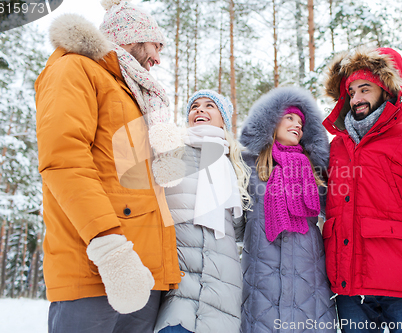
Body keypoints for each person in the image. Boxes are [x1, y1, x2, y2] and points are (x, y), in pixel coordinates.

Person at [35, 0, 182, 332]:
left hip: (146, 277)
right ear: (131, 36)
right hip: (99, 268)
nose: (158, 57)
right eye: (155, 44)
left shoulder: (137, 96)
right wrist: (112, 250)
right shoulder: (75, 68)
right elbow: (64, 162)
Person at [321, 47, 402, 333]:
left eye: (365, 89)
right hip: (348, 291)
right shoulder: (336, 149)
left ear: (387, 89)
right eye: (351, 91)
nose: (356, 98)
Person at [238, 86, 337, 333]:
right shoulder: (248, 164)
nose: (297, 126)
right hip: (262, 275)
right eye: (289, 117)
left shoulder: (315, 171)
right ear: (271, 121)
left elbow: (337, 213)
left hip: (308, 276)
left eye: (301, 123)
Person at [153, 90, 251, 333]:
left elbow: (239, 230)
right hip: (178, 283)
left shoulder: (235, 164)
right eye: (194, 106)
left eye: (209, 106)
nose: (200, 109)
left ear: (223, 120)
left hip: (222, 285)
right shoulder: (171, 152)